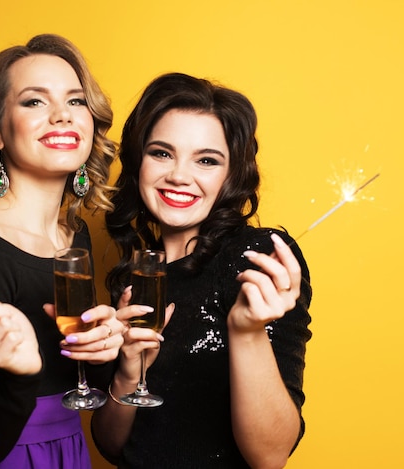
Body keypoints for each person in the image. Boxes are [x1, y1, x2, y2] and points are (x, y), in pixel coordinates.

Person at [91, 73, 312, 468]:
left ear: (230, 176)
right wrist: (127, 373)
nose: (178, 175)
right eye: (161, 153)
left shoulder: (256, 258)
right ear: (138, 160)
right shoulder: (137, 276)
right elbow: (112, 446)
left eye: (206, 160)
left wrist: (247, 331)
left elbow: (270, 456)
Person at [0, 34, 124, 469]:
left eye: (76, 101)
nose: (62, 116)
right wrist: (19, 375)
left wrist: (109, 348)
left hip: (68, 451)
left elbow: (79, 384)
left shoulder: (73, 235)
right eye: (34, 102)